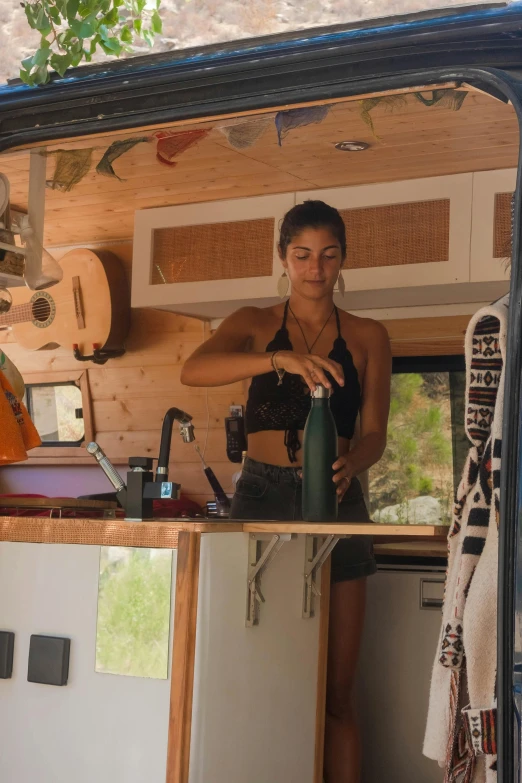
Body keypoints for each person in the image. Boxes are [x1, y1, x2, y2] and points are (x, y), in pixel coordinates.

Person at [181, 200, 391, 783]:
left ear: (344, 259)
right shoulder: (253, 321)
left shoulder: (371, 335)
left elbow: (375, 433)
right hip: (263, 495)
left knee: (338, 689)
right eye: (302, 256)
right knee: (265, 675)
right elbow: (191, 371)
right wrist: (277, 358)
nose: (315, 269)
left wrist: (355, 461)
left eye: (327, 256)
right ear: (283, 258)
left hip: (340, 500)